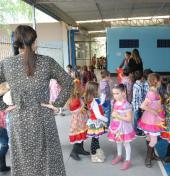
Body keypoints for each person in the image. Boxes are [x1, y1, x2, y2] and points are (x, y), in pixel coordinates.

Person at [0, 25, 73, 176]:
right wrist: (56, 104)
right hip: (43, 117)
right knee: (48, 160)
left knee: (23, 161)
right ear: (34, 42)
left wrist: (3, 106)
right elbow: (68, 82)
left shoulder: (6, 64)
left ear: (17, 44)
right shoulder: (47, 62)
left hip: (19, 119)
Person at [138, 73, 165, 168]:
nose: (161, 82)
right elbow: (142, 106)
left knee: (149, 138)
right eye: (160, 80)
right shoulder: (152, 93)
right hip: (151, 119)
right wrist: (153, 111)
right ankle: (148, 158)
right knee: (154, 140)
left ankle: (152, 155)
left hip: (152, 118)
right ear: (155, 81)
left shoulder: (155, 91)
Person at [107, 84, 135, 170]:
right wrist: (114, 116)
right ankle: (119, 156)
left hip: (124, 127)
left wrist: (118, 116)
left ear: (123, 93)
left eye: (117, 93)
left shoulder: (126, 105)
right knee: (118, 142)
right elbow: (115, 113)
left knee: (126, 143)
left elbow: (129, 119)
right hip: (116, 125)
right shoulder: (115, 102)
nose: (115, 96)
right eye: (114, 94)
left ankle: (128, 160)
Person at [84, 82, 108, 163]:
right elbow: (98, 115)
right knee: (95, 139)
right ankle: (94, 155)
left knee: (96, 138)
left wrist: (103, 96)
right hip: (96, 122)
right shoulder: (94, 101)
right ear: (94, 90)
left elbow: (100, 103)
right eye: (98, 89)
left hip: (94, 121)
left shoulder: (93, 100)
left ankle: (97, 151)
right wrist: (106, 119)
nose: (99, 90)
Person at [68, 79, 90, 161]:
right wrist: (82, 108)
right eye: (80, 87)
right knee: (78, 136)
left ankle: (80, 149)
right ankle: (74, 152)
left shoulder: (78, 97)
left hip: (81, 119)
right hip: (77, 121)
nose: (82, 88)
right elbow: (72, 110)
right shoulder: (74, 98)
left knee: (82, 135)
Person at [132, 70, 145, 136]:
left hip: (135, 105)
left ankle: (135, 130)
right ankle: (137, 131)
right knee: (138, 118)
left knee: (136, 118)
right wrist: (142, 106)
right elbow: (140, 97)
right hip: (138, 106)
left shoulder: (135, 84)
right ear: (142, 77)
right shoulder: (140, 85)